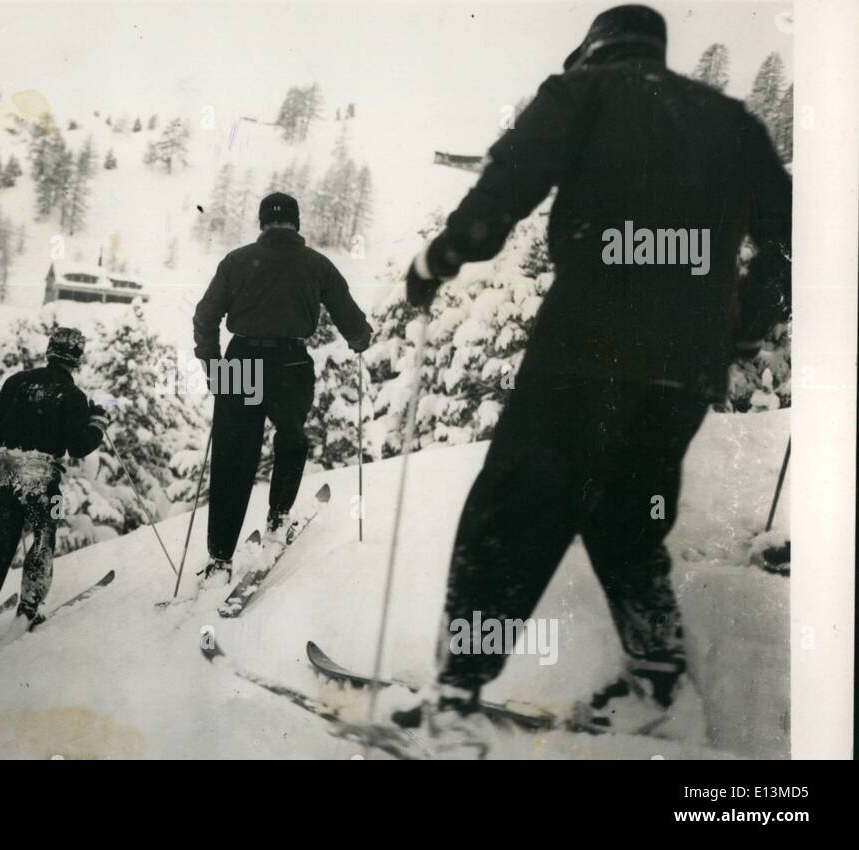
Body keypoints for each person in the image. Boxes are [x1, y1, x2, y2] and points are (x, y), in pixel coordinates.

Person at [397, 4, 792, 733]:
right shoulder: (734, 122)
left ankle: (454, 701)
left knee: (512, 513)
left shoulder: (583, 92)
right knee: (626, 520)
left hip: (587, 351)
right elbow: (791, 237)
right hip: (685, 372)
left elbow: (508, 185)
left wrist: (438, 259)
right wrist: (744, 328)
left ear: (595, 51)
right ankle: (658, 684)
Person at [192, 192, 372, 581]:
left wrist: (213, 367)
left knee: (232, 458)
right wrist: (359, 338)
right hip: (290, 362)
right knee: (291, 440)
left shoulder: (236, 261)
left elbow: (205, 316)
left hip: (241, 360)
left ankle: (220, 559)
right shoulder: (318, 265)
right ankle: (277, 519)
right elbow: (349, 316)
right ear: (297, 223)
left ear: (261, 223)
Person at [0, 327, 108, 651]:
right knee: (42, 542)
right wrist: (97, 423)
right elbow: (78, 447)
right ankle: (28, 609)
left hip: (4, 473)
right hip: (45, 479)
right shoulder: (73, 396)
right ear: (77, 358)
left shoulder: (15, 383)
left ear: (50, 350)